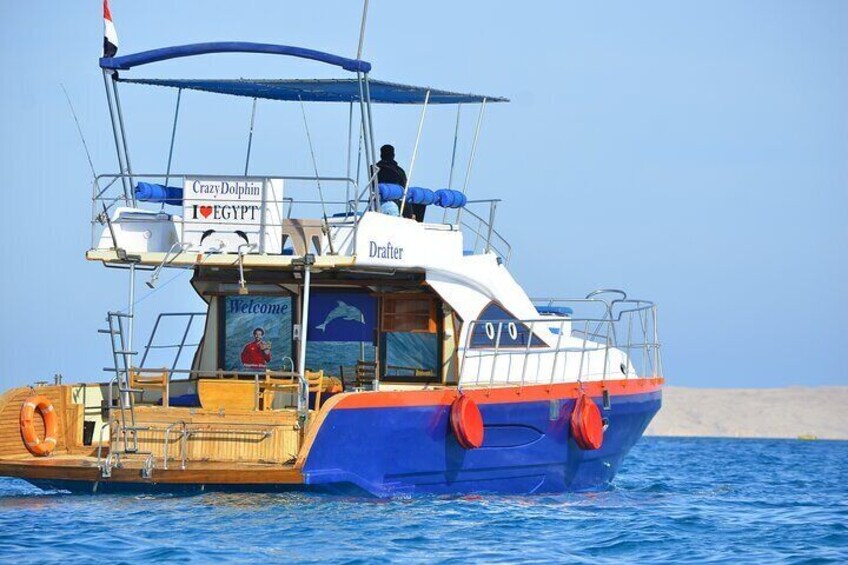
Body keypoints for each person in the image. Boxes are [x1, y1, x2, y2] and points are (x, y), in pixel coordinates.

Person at [375, 145, 426, 222]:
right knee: (417, 202)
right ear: (393, 155)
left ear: (381, 155)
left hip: (376, 202)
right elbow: (405, 190)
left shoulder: (374, 169)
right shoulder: (399, 171)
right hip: (397, 204)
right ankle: (414, 220)